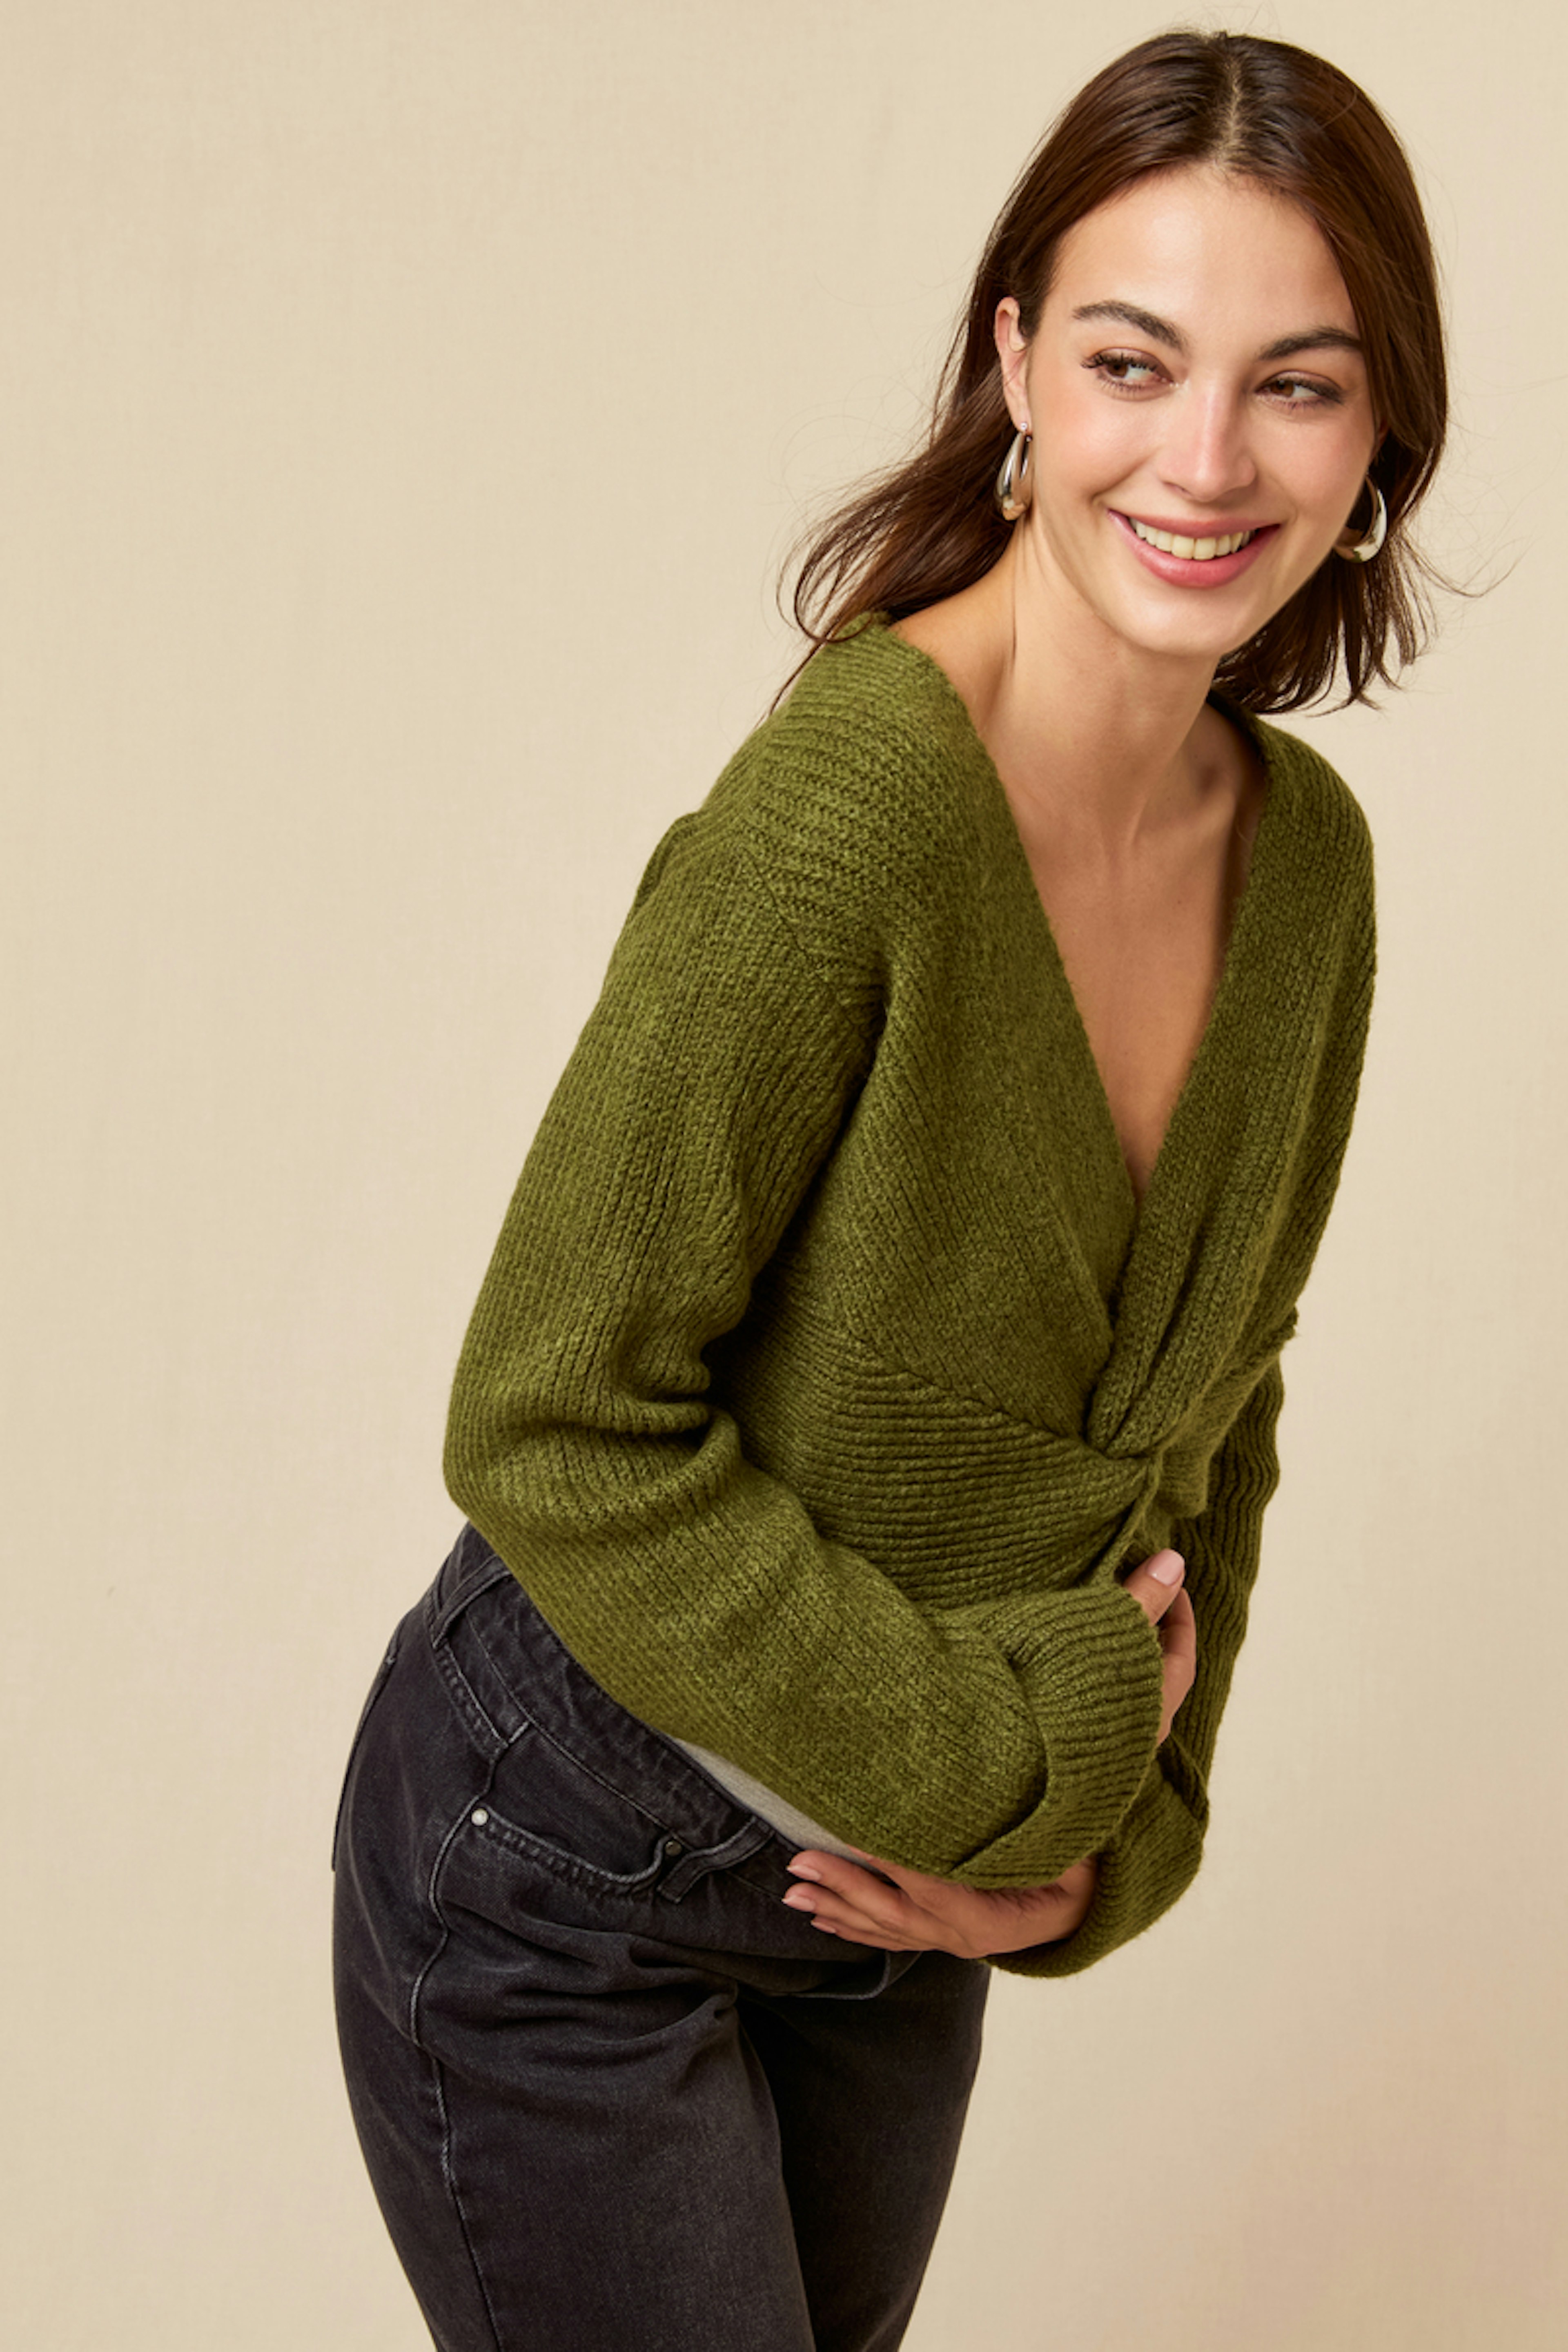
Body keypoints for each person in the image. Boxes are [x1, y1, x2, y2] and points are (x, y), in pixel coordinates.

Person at [332, 29, 1448, 2352]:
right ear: (1019, 367)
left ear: (1376, 449)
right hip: (562, 1851)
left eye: (1298, 386)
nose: (1206, 459)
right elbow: (545, 1416)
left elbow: (1216, 1420)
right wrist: (1008, 1762)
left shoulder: (1313, 879)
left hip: (883, 1907)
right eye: (1133, 360)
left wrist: (1101, 1854)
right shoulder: (851, 811)